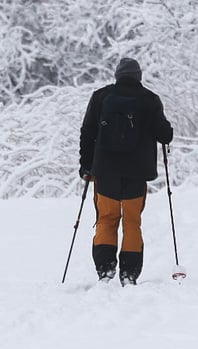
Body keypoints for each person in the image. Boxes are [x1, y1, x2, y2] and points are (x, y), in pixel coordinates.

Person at [79, 58, 173, 285]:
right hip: (137, 174)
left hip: (105, 172)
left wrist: (86, 166)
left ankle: (105, 269)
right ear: (139, 76)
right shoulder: (150, 100)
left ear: (117, 75)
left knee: (106, 219)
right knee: (132, 221)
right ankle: (129, 273)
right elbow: (165, 135)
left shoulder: (101, 97)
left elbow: (87, 133)